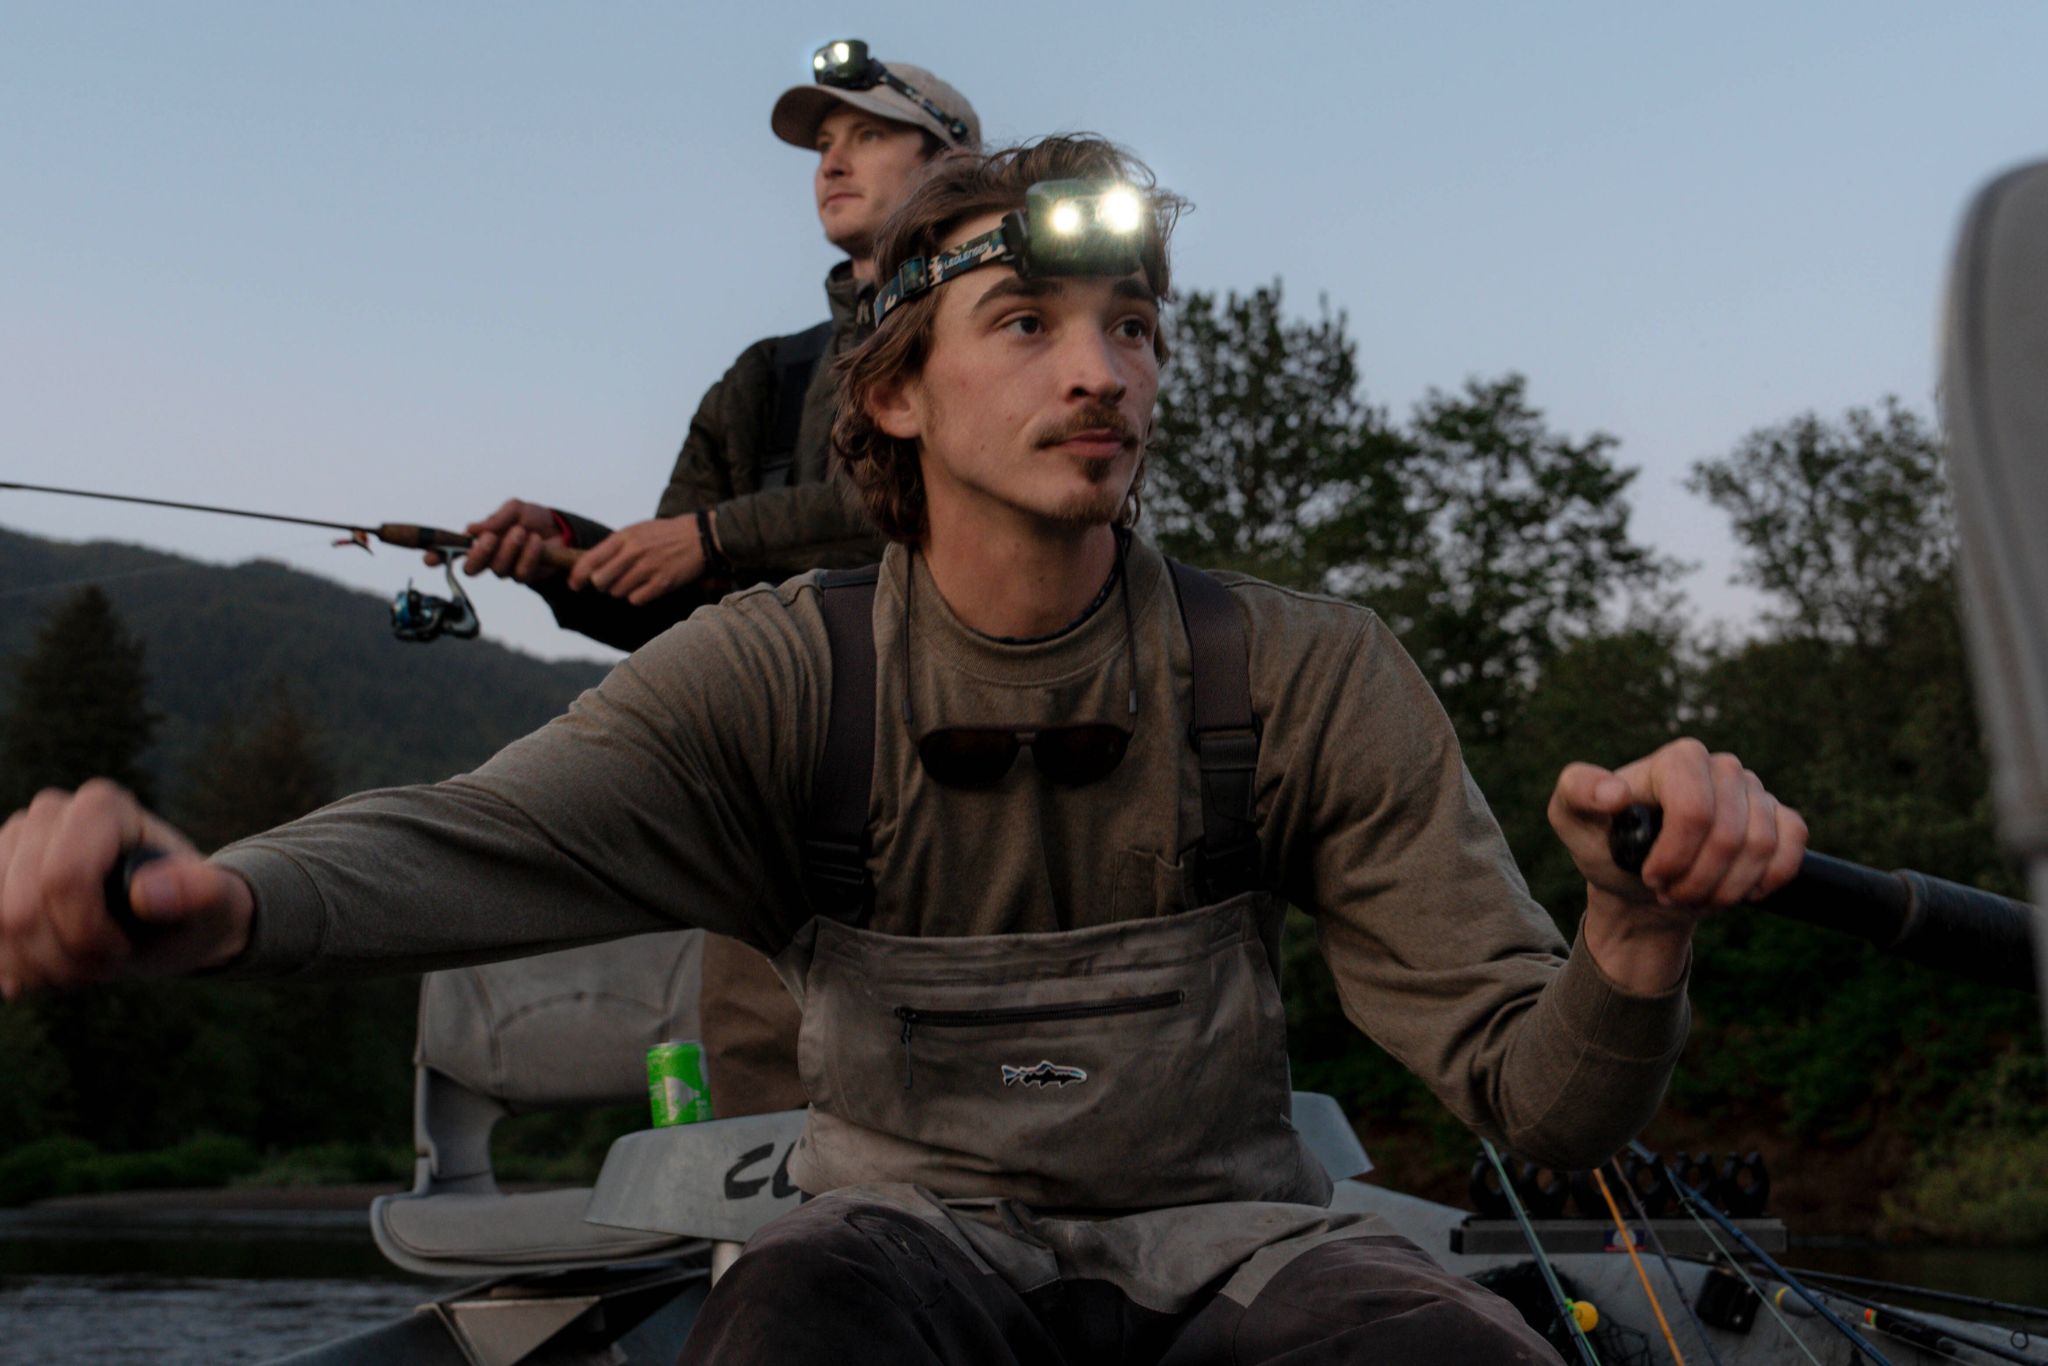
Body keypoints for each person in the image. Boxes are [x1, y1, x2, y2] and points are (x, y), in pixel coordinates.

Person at [0, 136, 1806, 1364]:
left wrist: (1631, 937)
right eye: (1027, 325)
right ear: (890, 393)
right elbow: (471, 836)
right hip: (886, 1237)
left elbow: (1542, 1109)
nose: (1100, 373)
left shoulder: (1311, 671)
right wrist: (213, 901)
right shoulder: (773, 674)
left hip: (1246, 1239)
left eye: (1130, 328)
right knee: (794, 1320)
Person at [436, 43, 982, 1121]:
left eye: (870, 134)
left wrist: (716, 535)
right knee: (764, 1132)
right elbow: (678, 606)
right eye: (822, 145)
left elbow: (947, 495)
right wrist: (566, 559)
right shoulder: (761, 379)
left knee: (973, 1115)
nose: (832, 162)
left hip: (961, 795)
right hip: (771, 818)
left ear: (953, 165)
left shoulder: (1008, 338)